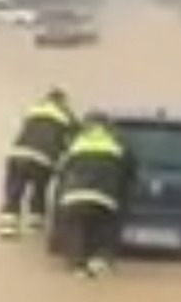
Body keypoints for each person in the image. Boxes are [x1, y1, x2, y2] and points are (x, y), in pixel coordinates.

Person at [54, 115, 135, 278]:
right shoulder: (118, 145)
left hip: (74, 195)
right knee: (105, 226)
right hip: (105, 195)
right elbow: (129, 172)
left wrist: (61, 199)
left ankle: (77, 265)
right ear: (108, 127)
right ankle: (99, 260)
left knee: (76, 227)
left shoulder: (75, 144)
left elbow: (61, 172)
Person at [0, 87, 81, 238]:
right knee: (40, 188)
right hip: (43, 157)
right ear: (62, 101)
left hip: (18, 153)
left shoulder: (34, 109)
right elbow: (76, 139)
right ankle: (35, 223)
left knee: (14, 189)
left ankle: (8, 225)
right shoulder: (66, 115)